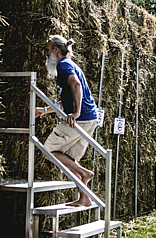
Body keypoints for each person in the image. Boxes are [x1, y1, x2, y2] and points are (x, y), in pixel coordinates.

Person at [35, 35, 98, 207]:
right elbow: (67, 100)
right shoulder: (70, 65)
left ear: (56, 50)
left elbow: (76, 85)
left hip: (81, 119)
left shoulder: (63, 66)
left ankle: (85, 173)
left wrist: (76, 113)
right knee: (70, 160)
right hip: (90, 118)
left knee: (48, 151)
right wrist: (45, 110)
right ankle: (85, 198)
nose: (46, 54)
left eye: (47, 50)